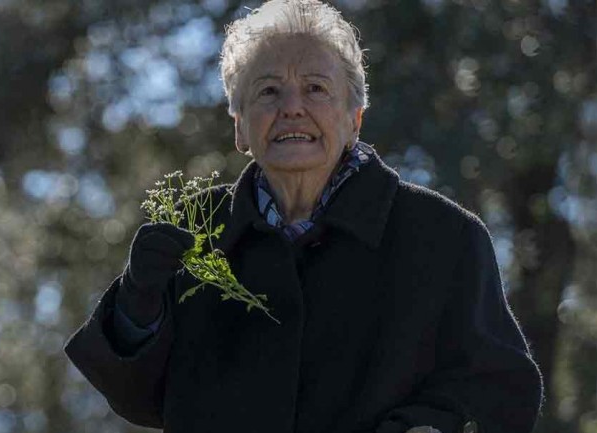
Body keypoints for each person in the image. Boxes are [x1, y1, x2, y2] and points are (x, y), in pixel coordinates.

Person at [64, 1, 543, 432]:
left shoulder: (444, 237)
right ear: (240, 126)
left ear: (354, 118)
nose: (292, 108)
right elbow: (137, 399)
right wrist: (138, 307)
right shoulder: (194, 230)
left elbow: (500, 389)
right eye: (268, 91)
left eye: (315, 88)